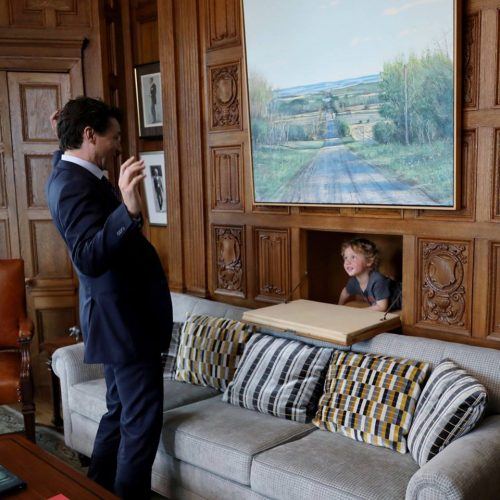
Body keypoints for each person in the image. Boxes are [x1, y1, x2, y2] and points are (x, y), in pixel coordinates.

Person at [45, 97, 172, 499]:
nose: (118, 145)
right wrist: (128, 212)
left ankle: (95, 490)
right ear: (89, 135)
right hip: (125, 321)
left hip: (118, 319)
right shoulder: (71, 184)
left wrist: (59, 140)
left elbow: (63, 161)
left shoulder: (67, 168)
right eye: (113, 137)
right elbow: (88, 256)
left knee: (120, 412)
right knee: (141, 420)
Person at [338, 238, 401, 312]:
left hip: (408, 298)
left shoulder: (377, 280)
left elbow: (382, 307)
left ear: (369, 261)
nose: (347, 262)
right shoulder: (354, 281)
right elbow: (345, 292)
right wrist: (339, 307)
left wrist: (358, 312)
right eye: (345, 257)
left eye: (353, 257)